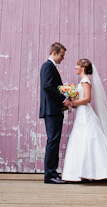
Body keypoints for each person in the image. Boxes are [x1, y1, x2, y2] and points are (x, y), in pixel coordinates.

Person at [61, 58, 107, 185]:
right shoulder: (81, 81)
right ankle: (83, 172)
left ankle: (95, 172)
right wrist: (70, 103)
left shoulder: (85, 81)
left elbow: (87, 99)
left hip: (85, 114)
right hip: (81, 113)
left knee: (89, 139)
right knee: (82, 140)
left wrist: (71, 102)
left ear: (83, 68)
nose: (75, 67)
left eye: (77, 65)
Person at [39, 42, 71, 184]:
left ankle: (52, 172)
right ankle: (50, 175)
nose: (62, 59)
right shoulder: (47, 66)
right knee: (52, 141)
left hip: (54, 110)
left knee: (54, 141)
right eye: (61, 56)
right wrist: (63, 99)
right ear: (54, 53)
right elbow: (47, 86)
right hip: (51, 111)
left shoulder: (51, 67)